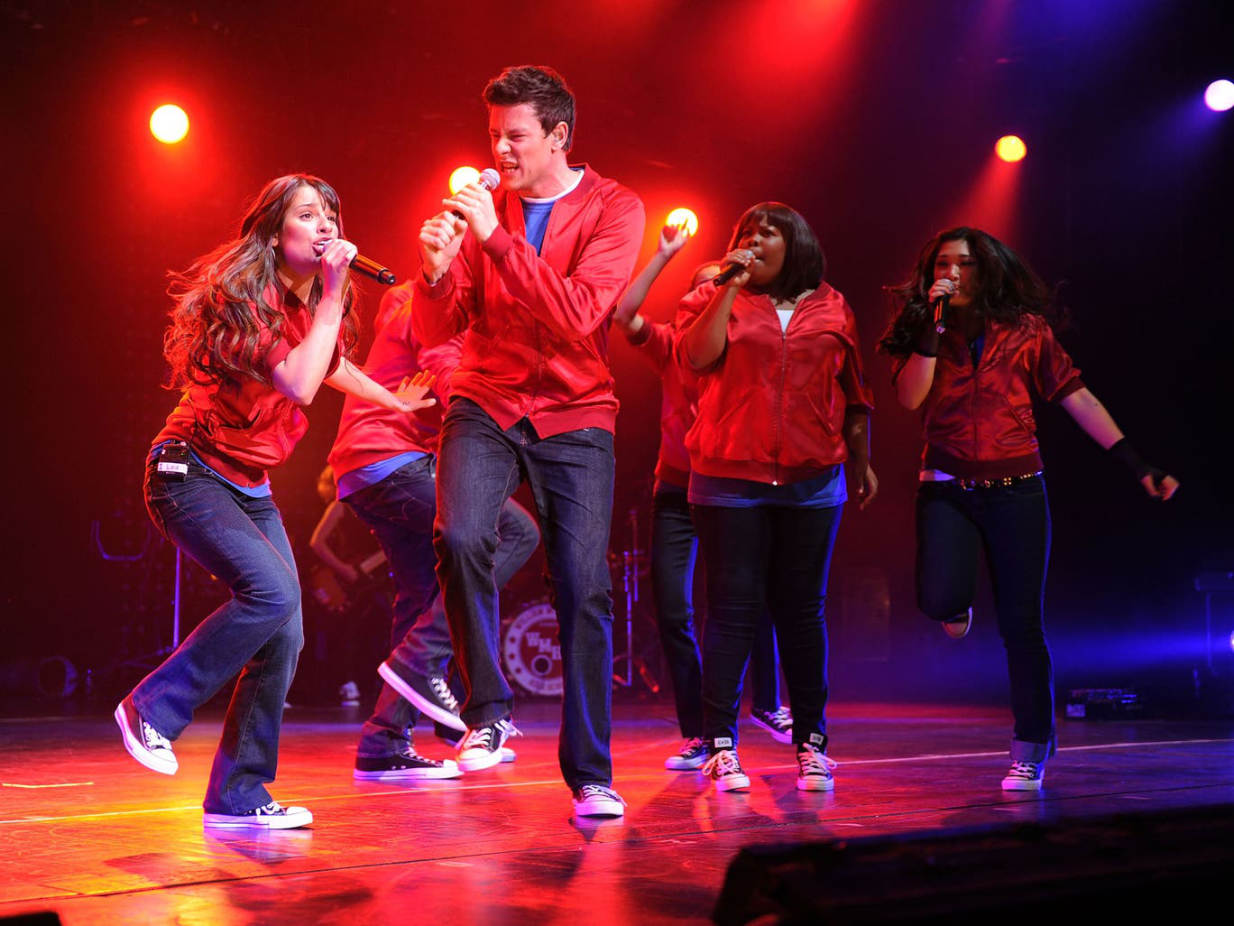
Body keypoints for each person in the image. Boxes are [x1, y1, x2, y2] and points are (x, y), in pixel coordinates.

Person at [116, 174, 435, 829]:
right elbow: (299, 383)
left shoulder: (305, 303)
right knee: (271, 594)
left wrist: (394, 399)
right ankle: (152, 709)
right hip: (188, 471)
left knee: (285, 626)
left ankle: (238, 794)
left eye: (330, 215)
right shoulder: (245, 298)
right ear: (272, 233)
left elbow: (330, 365)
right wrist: (337, 289)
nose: (325, 227)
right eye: (308, 215)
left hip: (249, 483)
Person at [412, 65, 644, 818]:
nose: (501, 151)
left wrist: (496, 241)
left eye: (515, 136)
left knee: (583, 584)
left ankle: (592, 774)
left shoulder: (615, 208)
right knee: (459, 535)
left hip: (577, 411)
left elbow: (578, 315)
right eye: (493, 136)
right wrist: (434, 275)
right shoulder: (488, 211)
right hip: (487, 396)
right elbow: (442, 327)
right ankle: (487, 711)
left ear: (558, 135)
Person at [880, 226, 1179, 791]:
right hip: (945, 485)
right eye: (942, 264)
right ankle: (956, 602)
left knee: (1022, 626)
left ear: (987, 269)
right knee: (939, 600)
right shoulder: (923, 325)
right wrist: (930, 326)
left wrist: (1137, 463)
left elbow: (1077, 397)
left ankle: (1030, 745)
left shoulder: (1026, 331)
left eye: (965, 263)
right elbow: (909, 397)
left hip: (1017, 488)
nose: (952, 273)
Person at [676, 202, 877, 794]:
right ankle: (720, 746)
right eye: (746, 233)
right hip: (727, 479)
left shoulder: (833, 305)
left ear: (796, 244)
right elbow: (696, 357)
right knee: (731, 611)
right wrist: (727, 289)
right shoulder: (716, 294)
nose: (755, 241)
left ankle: (812, 743)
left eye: (768, 233)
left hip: (812, 483)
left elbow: (855, 393)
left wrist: (861, 461)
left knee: (803, 613)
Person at [327, 280, 540, 782]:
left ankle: (385, 741)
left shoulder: (430, 307)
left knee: (423, 594)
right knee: (514, 533)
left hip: (370, 466)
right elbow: (449, 376)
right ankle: (422, 665)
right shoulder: (429, 305)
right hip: (391, 458)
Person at [611, 224, 795, 772]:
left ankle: (765, 703)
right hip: (675, 490)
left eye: (725, 282)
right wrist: (665, 255)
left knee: (745, 599)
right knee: (674, 610)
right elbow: (624, 314)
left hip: (730, 490)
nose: (714, 288)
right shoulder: (671, 344)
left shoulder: (745, 346)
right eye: (705, 283)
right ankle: (700, 733)